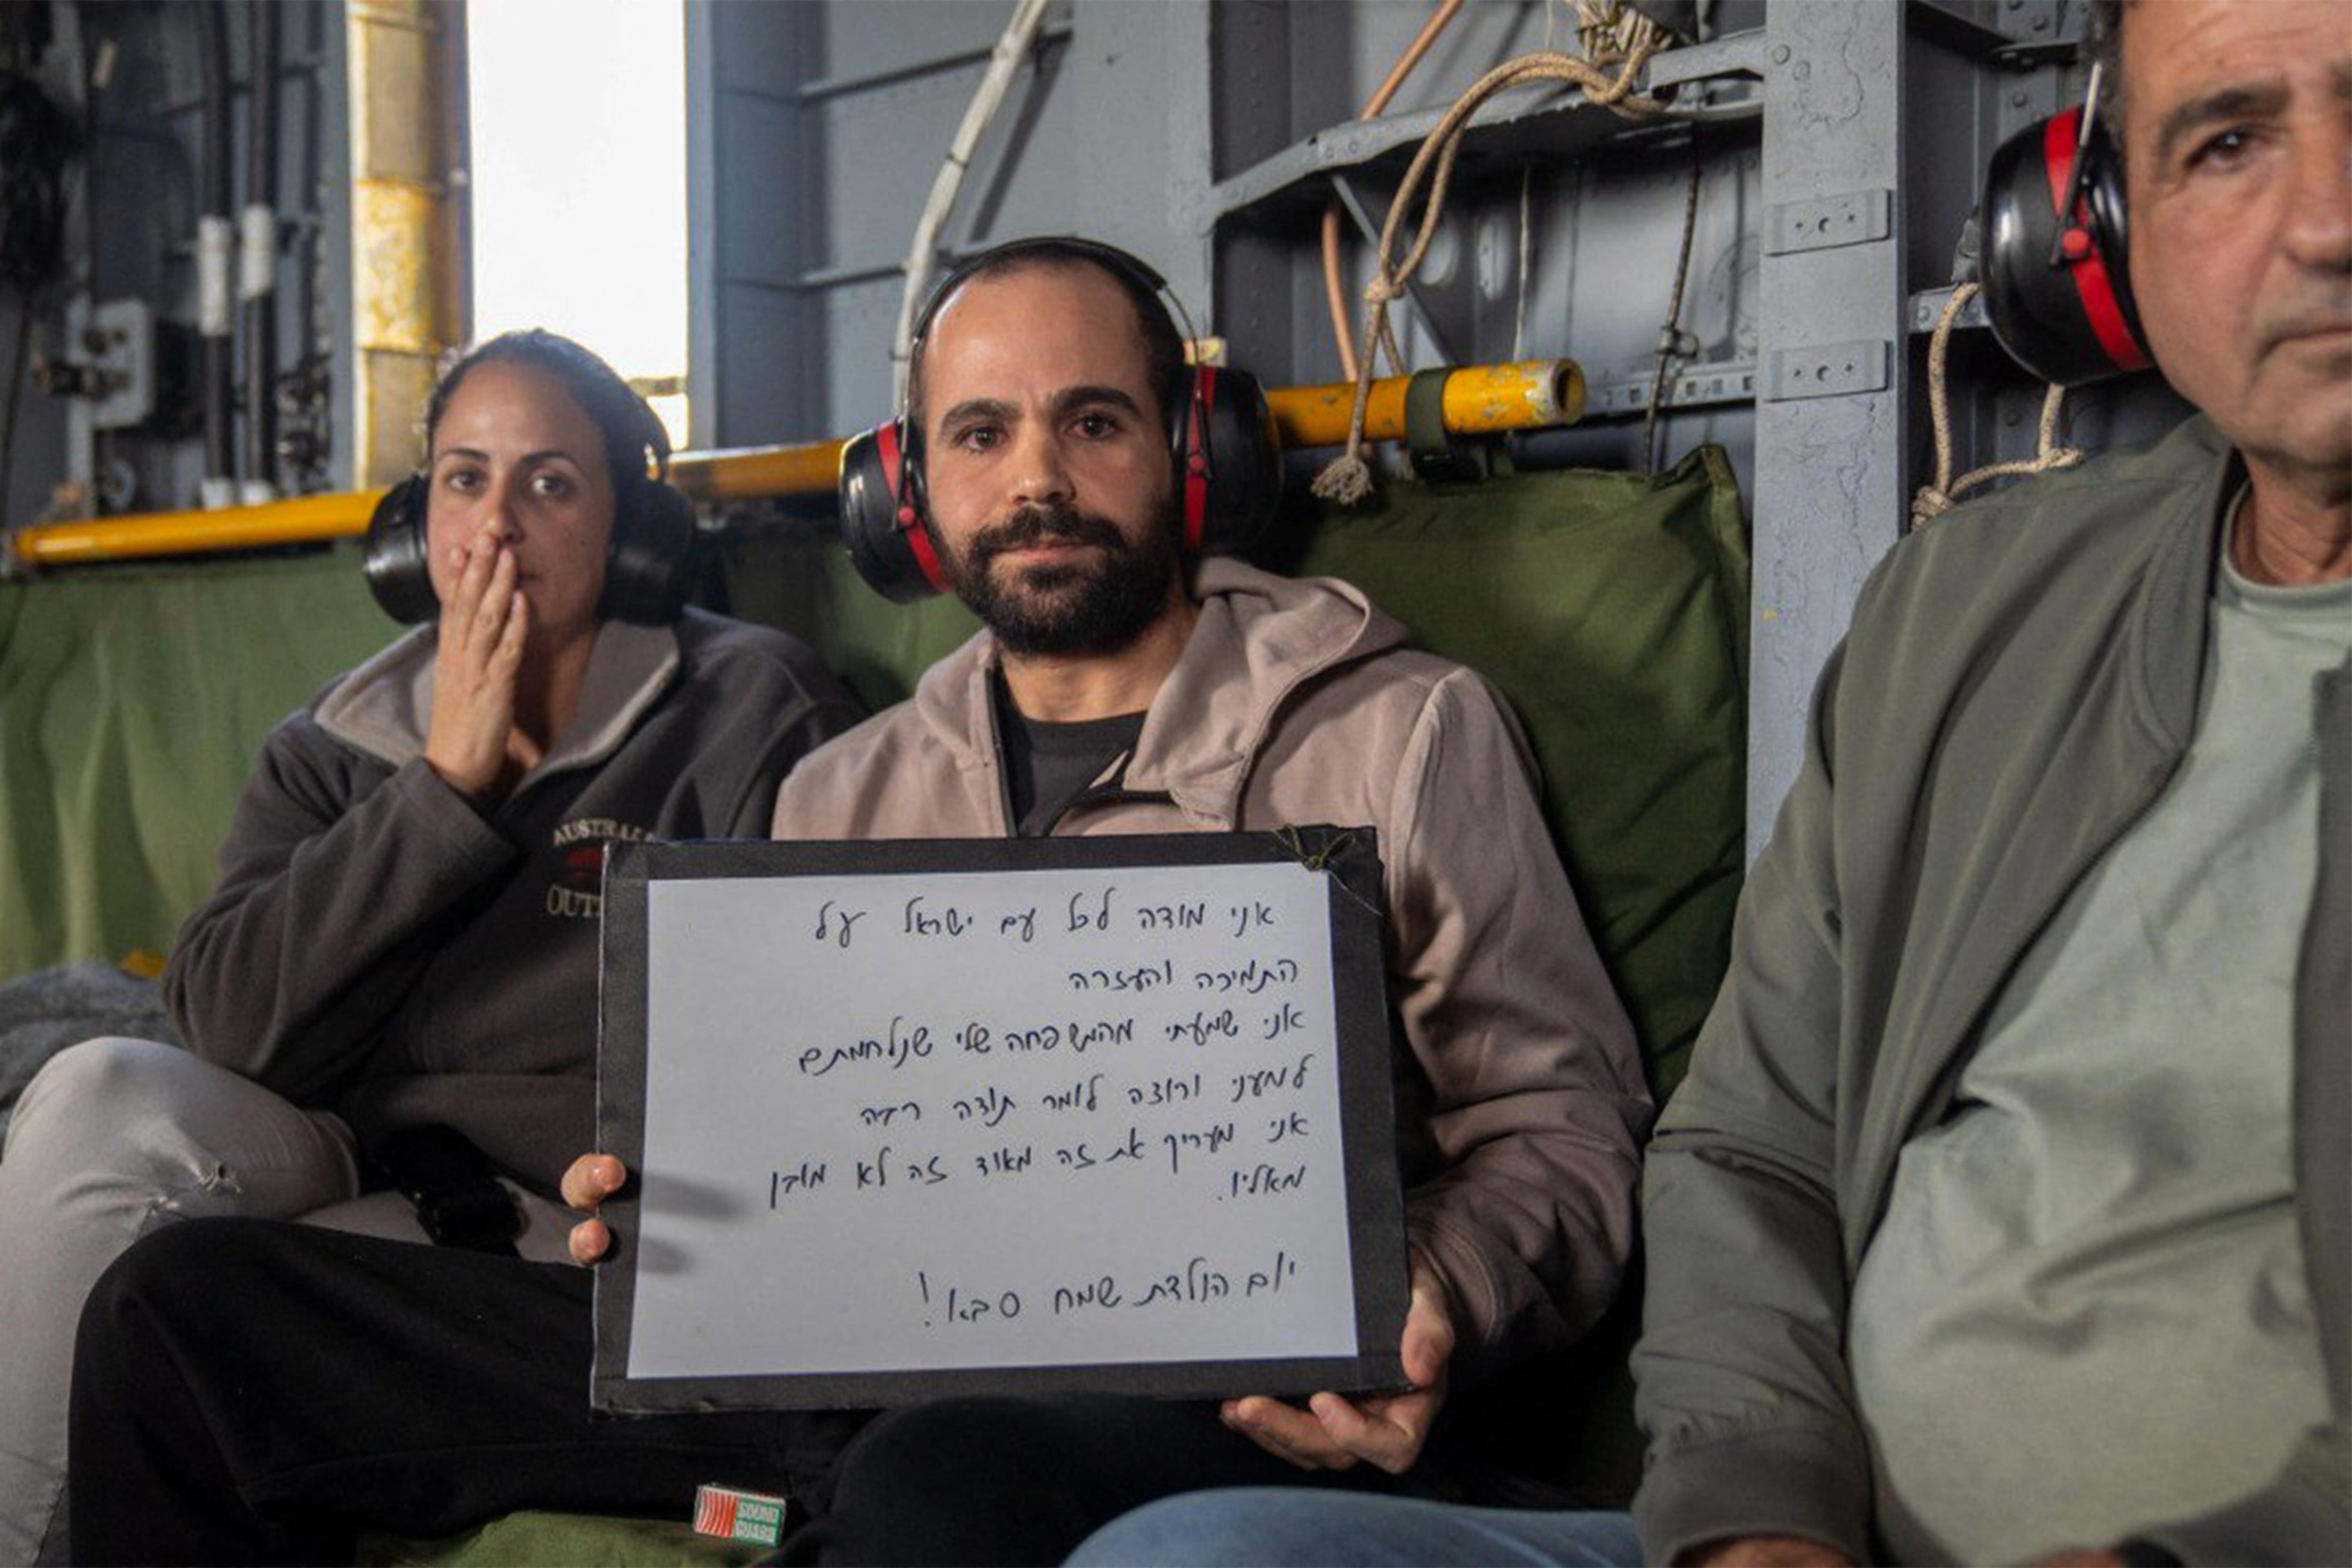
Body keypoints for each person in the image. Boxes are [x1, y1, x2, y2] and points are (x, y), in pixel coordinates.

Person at [64, 240, 1652, 1565]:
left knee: (926, 1481)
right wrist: (672, 1203)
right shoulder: (845, 790)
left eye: (1093, 422)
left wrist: (1436, 1286)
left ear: (1192, 453)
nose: (1036, 479)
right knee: (184, 1313)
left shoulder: (1404, 729)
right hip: (828, 1374)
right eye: (980, 435)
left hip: (1202, 1377)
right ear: (907, 492)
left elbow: (1566, 1130)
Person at [1067, 1, 2352, 1564]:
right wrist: (1757, 1522)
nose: (2327, 221)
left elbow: (1564, 1131)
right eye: (2228, 141)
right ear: (2097, 229)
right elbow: (1752, 1143)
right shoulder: (1964, 612)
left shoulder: (1395, 723)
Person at [0, 328, 859, 1566]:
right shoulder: (335, 740)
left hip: (574, 1226)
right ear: (415, 523)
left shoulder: (751, 707)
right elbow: (230, 1027)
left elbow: (791, 1042)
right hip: (354, 1161)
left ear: (635, 530)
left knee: (184, 1339)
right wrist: (442, 786)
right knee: (95, 1089)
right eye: (464, 478)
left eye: (550, 483)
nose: (495, 525)